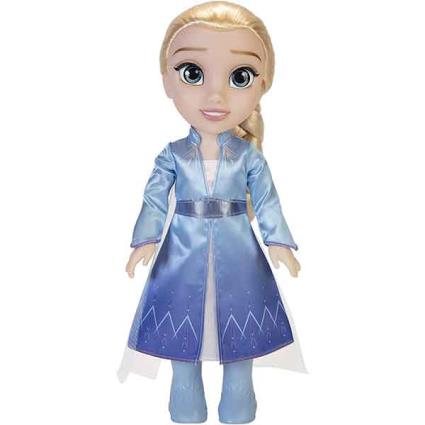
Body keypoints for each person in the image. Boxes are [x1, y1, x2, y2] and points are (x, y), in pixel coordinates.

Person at [118, 2, 306, 423]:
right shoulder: (172, 155)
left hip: (239, 258)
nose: (215, 96)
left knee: (240, 336)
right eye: (193, 73)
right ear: (167, 81)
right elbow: (154, 198)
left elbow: (267, 199)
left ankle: (240, 403)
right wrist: (145, 240)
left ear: (262, 84)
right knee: (181, 337)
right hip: (181, 258)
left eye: (240, 77)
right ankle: (185, 404)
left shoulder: (247, 157)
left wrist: (278, 241)